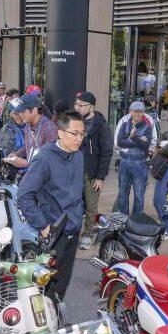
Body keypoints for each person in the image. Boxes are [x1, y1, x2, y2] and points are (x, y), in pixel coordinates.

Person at [16, 110, 86, 302]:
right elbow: (24, 195)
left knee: (62, 284)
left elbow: (76, 192)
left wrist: (80, 215)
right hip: (54, 233)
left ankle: (55, 314)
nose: (79, 139)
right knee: (47, 286)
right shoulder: (45, 158)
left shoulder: (78, 156)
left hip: (74, 228)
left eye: (82, 134)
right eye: (74, 133)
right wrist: (44, 227)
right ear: (60, 132)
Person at [74, 92, 113, 247]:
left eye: (81, 105)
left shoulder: (101, 126)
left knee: (91, 206)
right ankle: (73, 233)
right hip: (75, 171)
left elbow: (106, 153)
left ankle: (87, 234)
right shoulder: (75, 122)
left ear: (91, 107)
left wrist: (100, 177)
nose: (78, 108)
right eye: (76, 104)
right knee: (74, 203)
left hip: (92, 174)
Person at [114, 100, 154, 218]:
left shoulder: (147, 127)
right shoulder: (125, 124)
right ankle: (123, 219)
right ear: (130, 112)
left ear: (144, 112)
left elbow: (145, 146)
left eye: (140, 112)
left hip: (139, 163)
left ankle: (136, 220)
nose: (138, 114)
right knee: (122, 193)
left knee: (139, 195)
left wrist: (133, 137)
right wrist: (137, 140)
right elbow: (120, 142)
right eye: (135, 111)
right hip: (124, 161)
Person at [4, 94, 57, 172]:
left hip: (45, 176)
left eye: (22, 111)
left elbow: (53, 157)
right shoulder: (28, 126)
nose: (20, 114)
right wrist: (16, 154)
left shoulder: (49, 127)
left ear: (34, 110)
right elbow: (27, 147)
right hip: (33, 173)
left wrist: (27, 163)